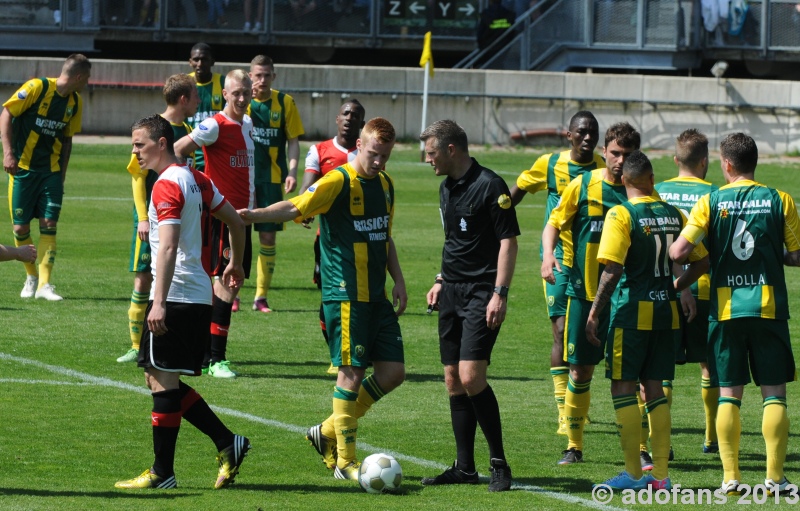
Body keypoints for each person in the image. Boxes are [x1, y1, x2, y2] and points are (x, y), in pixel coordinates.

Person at [238, 117, 407, 482]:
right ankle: (345, 462)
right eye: (374, 154)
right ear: (359, 145)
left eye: (386, 156)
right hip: (345, 295)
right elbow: (294, 207)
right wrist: (252, 216)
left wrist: (400, 281)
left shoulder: (387, 184)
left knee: (393, 373)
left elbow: (385, 236)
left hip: (376, 297)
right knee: (351, 373)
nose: (379, 162)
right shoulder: (337, 181)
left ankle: (328, 430)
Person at [115, 114, 251, 490]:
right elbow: (237, 222)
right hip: (198, 295)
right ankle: (227, 443)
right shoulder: (197, 179)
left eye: (139, 144)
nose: (135, 152)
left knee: (160, 381)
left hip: (174, 297)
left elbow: (170, 244)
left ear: (161, 143)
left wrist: (156, 303)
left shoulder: (164, 185)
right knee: (160, 377)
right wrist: (235, 262)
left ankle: (163, 473)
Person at [670, 132, 800, 496]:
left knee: (730, 394)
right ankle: (774, 479)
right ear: (754, 162)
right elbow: (797, 253)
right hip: (768, 308)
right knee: (774, 394)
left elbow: (679, 252)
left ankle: (731, 477)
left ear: (726, 164)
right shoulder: (779, 199)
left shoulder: (710, 202)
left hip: (725, 310)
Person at [587, 150, 708, 491]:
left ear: (624, 180)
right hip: (666, 315)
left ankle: (634, 474)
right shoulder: (674, 213)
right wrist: (676, 286)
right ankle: (662, 477)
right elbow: (700, 262)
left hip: (632, 315)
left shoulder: (621, 215)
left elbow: (612, 270)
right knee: (655, 390)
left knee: (623, 388)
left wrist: (595, 312)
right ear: (652, 180)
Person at [421, 120, 519, 492]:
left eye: (431, 153)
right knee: (452, 381)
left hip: (482, 292)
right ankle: (464, 467)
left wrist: (500, 293)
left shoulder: (490, 186)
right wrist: (440, 279)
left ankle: (499, 463)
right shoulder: (447, 188)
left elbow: (508, 243)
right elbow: (454, 243)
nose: (427, 160)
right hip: (452, 291)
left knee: (471, 376)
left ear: (450, 150)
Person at [542, 122, 637, 466]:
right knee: (580, 372)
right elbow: (554, 222)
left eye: (627, 155)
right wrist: (548, 254)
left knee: (631, 375)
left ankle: (640, 446)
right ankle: (573, 445)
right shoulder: (583, 185)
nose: (619, 161)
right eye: (614, 153)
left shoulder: (640, 192)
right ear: (605, 152)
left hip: (627, 299)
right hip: (583, 295)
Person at [510, 111, 605, 436]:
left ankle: (577, 401)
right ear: (569, 135)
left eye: (593, 132)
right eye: (582, 132)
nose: (588, 137)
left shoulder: (603, 170)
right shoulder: (550, 164)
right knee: (561, 330)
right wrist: (497, 222)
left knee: (584, 334)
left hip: (592, 261)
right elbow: (519, 188)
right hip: (558, 260)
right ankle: (564, 409)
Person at [174, 69, 255, 379]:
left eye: (246, 92)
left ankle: (206, 353)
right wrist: (192, 188)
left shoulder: (247, 123)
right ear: (225, 93)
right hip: (222, 216)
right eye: (237, 93)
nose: (243, 98)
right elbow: (180, 149)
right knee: (224, 282)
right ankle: (214, 359)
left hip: (244, 217)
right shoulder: (213, 125)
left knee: (234, 282)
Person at [117, 74, 200, 364]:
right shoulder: (149, 132)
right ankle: (135, 344)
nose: (199, 101)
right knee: (143, 279)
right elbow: (137, 179)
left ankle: (167, 337)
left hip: (177, 220)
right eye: (196, 95)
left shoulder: (188, 130)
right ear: (184, 98)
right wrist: (142, 218)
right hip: (152, 219)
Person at [1, 53, 91, 302]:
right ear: (79, 76)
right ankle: (30, 276)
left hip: (50, 173)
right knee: (20, 227)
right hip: (22, 170)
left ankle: (44, 284)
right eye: (87, 78)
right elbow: (6, 113)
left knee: (49, 224)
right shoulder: (37, 87)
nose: (87, 83)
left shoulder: (75, 102)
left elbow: (67, 140)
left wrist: (61, 176)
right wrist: (8, 153)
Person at [653, 128, 719, 454]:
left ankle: (662, 441)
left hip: (666, 290)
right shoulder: (715, 194)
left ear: (675, 159)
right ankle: (711, 436)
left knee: (662, 368)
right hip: (706, 288)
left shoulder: (659, 192)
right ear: (705, 161)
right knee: (709, 364)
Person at [299, 98, 366, 356]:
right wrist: (304, 207)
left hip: (363, 238)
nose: (349, 118)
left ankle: (358, 348)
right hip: (328, 240)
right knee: (330, 298)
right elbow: (306, 189)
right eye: (345, 113)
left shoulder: (367, 153)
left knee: (362, 296)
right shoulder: (319, 150)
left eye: (355, 115)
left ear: (361, 123)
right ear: (337, 119)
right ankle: (336, 350)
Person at [247, 55, 305, 313]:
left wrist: (292, 171)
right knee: (234, 236)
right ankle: (231, 292)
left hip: (271, 181)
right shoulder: (241, 101)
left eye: (266, 75)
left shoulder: (285, 102)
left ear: (273, 76)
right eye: (257, 75)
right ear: (250, 76)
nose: (262, 80)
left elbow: (293, 140)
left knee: (268, 237)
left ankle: (261, 297)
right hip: (243, 178)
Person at [187, 43, 225, 172]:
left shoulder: (224, 84)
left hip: (217, 156)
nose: (200, 63)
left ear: (212, 61)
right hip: (190, 155)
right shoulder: (184, 84)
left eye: (204, 59)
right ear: (190, 62)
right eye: (196, 59)